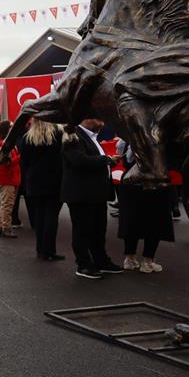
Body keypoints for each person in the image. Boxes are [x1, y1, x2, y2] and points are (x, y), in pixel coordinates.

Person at [61, 119, 123, 279]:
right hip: (81, 194)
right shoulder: (72, 135)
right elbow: (78, 160)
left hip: (96, 194)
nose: (102, 122)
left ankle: (101, 260)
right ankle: (84, 265)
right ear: (86, 119)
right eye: (98, 118)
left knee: (98, 230)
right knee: (82, 230)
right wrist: (106, 160)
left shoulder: (92, 137)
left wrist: (107, 160)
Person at [117, 142, 174, 273]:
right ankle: (147, 261)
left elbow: (123, 153)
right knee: (154, 222)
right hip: (154, 183)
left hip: (130, 183)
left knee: (131, 221)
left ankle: (130, 259)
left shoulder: (129, 138)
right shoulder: (156, 138)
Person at [18, 118, 65, 261]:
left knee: (39, 216)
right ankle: (49, 250)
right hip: (54, 180)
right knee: (51, 216)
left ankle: (40, 249)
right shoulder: (58, 134)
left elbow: (23, 162)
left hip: (34, 181)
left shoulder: (28, 137)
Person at [0, 121, 21, 238]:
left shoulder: (6, 143)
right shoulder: (2, 144)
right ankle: (6, 228)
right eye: (10, 127)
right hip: (7, 177)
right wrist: (19, 158)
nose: (12, 129)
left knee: (6, 203)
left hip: (10, 177)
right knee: (8, 204)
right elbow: (5, 163)